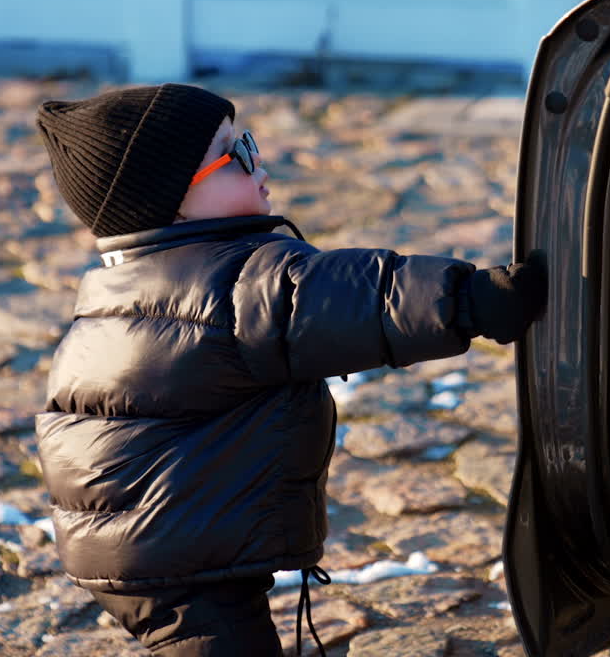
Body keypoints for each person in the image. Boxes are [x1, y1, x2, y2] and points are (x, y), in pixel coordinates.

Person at [33, 83, 546, 656]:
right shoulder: (231, 282)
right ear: (173, 200)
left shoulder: (124, 285)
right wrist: (474, 298)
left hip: (141, 537)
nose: (259, 163)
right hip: (170, 547)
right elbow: (356, 299)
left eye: (250, 142)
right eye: (236, 154)